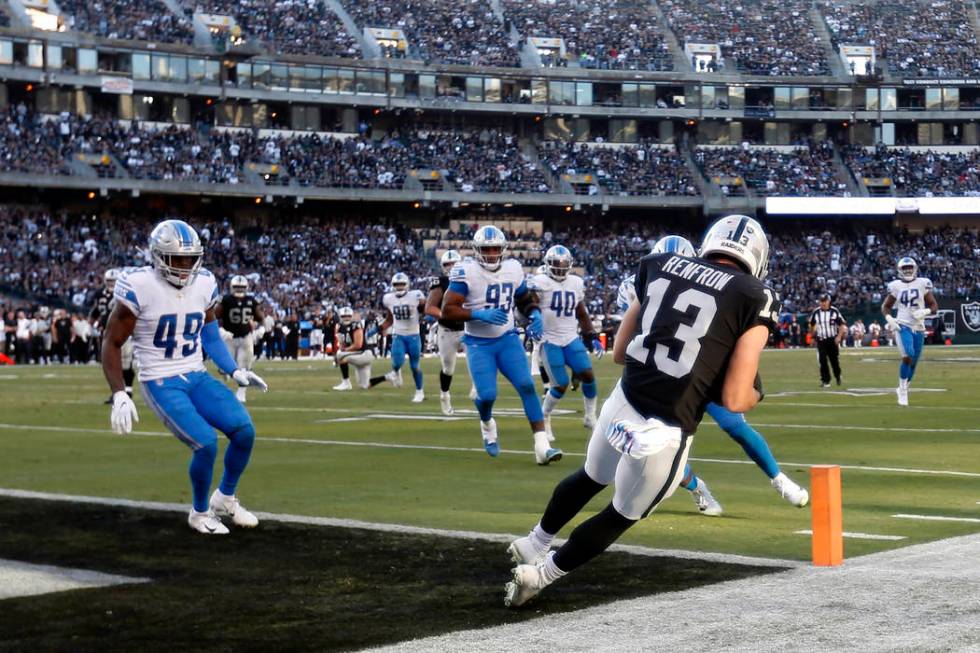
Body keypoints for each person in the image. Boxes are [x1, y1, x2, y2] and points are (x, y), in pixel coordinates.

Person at [503, 215, 777, 607]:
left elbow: (619, 351)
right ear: (757, 257)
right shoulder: (755, 296)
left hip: (625, 398)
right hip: (667, 425)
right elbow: (735, 398)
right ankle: (539, 576)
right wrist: (756, 395)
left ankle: (535, 541)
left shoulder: (659, 265)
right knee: (622, 513)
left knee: (590, 477)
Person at [617, 234, 807, 517]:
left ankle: (778, 478)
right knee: (658, 448)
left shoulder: (713, 282)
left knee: (735, 426)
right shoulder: (641, 283)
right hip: (665, 376)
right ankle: (696, 487)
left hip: (705, 371)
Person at [102, 219, 268, 535]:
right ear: (158, 256)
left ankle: (225, 498)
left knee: (244, 430)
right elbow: (111, 341)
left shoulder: (204, 282)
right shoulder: (139, 285)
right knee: (205, 443)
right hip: (160, 378)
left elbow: (209, 333)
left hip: (196, 373)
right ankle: (200, 512)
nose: (185, 266)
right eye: (177, 259)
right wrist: (120, 391)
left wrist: (235, 370)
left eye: (190, 258)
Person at [441, 225, 562, 465]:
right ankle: (487, 424)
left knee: (527, 386)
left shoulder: (513, 268)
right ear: (477, 250)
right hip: (478, 343)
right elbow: (447, 309)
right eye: (487, 249)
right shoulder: (466, 271)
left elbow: (524, 298)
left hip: (507, 339)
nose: (492, 253)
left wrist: (535, 314)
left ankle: (542, 446)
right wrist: (478, 314)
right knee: (486, 396)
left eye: (496, 248)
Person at [528, 245, 604, 433]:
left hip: (570, 337)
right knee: (560, 384)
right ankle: (544, 416)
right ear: (547, 264)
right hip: (549, 339)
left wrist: (592, 336)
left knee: (587, 374)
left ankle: (590, 416)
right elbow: (530, 306)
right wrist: (532, 321)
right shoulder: (539, 281)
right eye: (556, 264)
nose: (560, 268)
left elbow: (581, 312)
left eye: (563, 264)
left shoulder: (575, 283)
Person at [882, 256, 937, 406]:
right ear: (900, 270)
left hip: (919, 327)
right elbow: (885, 306)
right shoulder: (895, 286)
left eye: (909, 268)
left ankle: (903, 387)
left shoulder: (923, 283)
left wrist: (925, 311)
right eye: (905, 268)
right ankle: (903, 389)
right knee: (908, 355)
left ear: (915, 268)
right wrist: (890, 319)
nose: (907, 271)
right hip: (903, 325)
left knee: (913, 362)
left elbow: (934, 306)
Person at [424, 249, 465, 415]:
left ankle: (479, 390)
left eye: (454, 263)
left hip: (467, 329)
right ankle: (444, 395)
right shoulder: (440, 282)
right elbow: (429, 307)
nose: (451, 267)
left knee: (479, 358)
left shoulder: (469, 280)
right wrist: (445, 314)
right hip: (446, 330)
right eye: (447, 264)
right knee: (448, 368)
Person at [215, 275, 263, 403]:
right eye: (237, 287)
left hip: (245, 337)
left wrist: (261, 329)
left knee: (244, 367)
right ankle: (224, 378)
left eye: (241, 287)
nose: (239, 290)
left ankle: (241, 393)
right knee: (226, 367)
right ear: (232, 287)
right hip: (229, 337)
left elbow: (260, 317)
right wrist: (220, 330)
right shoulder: (226, 300)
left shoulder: (251, 300)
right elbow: (214, 317)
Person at [379, 273, 426, 403]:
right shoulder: (389, 298)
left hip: (414, 335)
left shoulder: (416, 295)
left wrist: (425, 308)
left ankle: (419, 392)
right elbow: (389, 319)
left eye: (401, 284)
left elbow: (424, 309)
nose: (399, 287)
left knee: (415, 366)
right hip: (398, 334)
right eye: (396, 285)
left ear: (407, 284)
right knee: (396, 362)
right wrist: (379, 328)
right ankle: (396, 372)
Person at [332, 306, 376, 390]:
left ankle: (346, 383)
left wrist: (344, 351)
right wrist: (343, 348)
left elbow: (358, 345)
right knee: (364, 386)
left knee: (340, 354)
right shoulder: (340, 328)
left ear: (352, 316)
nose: (346, 318)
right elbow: (342, 345)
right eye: (344, 316)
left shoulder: (356, 325)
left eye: (348, 316)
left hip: (365, 353)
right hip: (358, 354)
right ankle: (383, 378)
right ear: (340, 317)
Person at [809, 293, 846, 387]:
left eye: (824, 301)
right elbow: (811, 324)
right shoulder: (816, 312)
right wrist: (813, 336)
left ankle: (838, 376)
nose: (823, 303)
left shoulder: (834, 311)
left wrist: (839, 337)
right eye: (821, 301)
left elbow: (842, 324)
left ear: (829, 301)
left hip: (832, 340)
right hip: (821, 340)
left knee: (834, 361)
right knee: (822, 360)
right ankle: (826, 381)